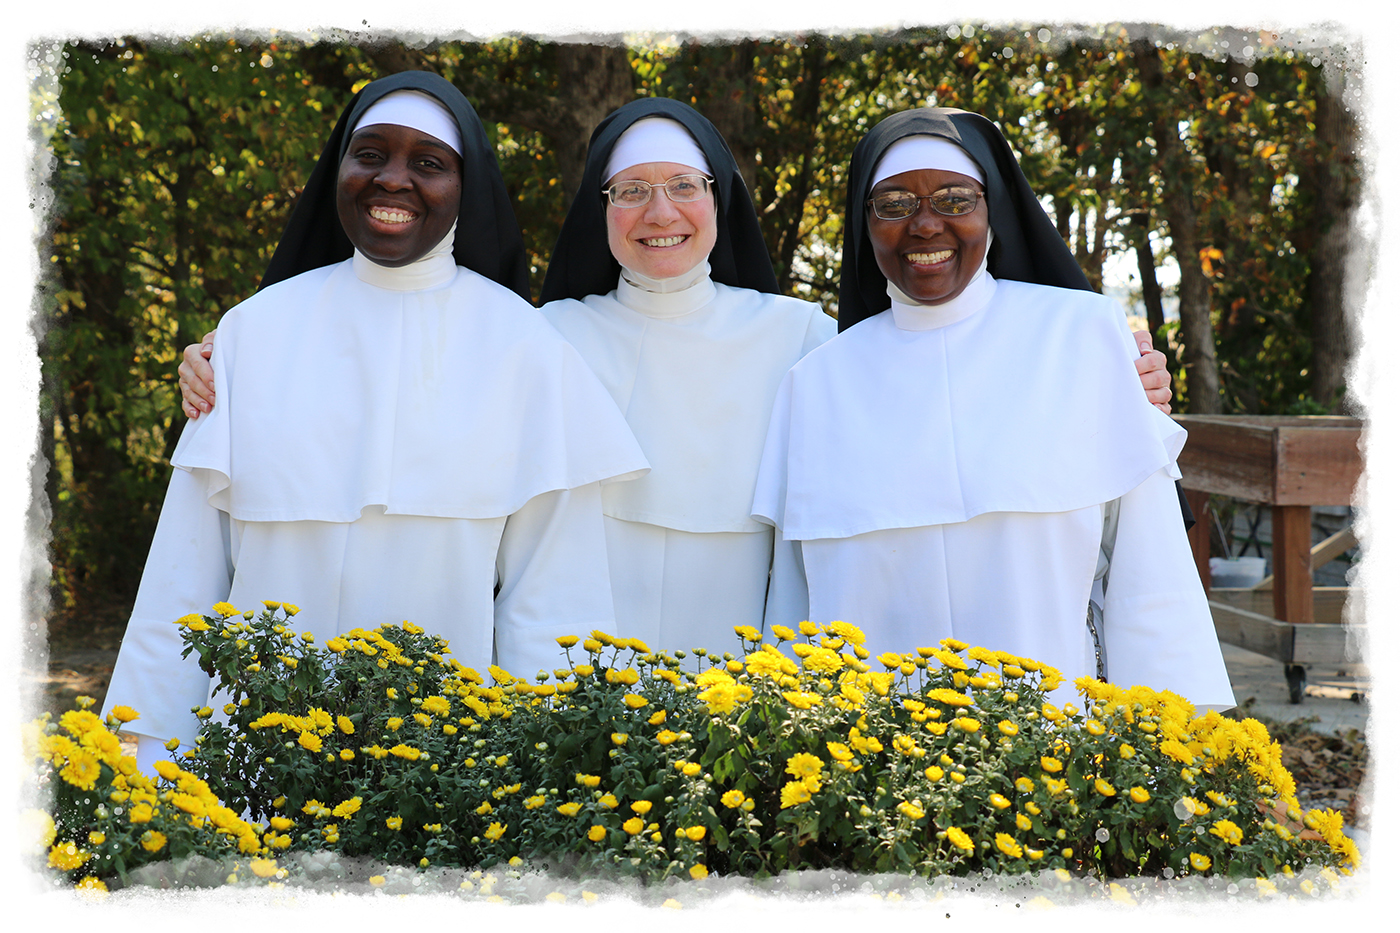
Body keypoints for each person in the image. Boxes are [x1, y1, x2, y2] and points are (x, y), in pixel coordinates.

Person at [175, 97, 1175, 657]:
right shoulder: (544, 335)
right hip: (584, 652)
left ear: (718, 201)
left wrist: (1122, 380)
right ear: (599, 210)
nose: (660, 211)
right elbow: (408, 363)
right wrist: (219, 366)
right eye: (632, 191)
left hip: (742, 647)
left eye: (683, 186)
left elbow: (930, 379)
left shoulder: (800, 340)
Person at [102, 72, 649, 770]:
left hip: (442, 771)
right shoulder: (253, 334)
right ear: (340, 171)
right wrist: (147, 763)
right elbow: (185, 578)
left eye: (428, 163)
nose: (394, 180)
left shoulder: (526, 349)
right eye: (371, 155)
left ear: (465, 186)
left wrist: (544, 777)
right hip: (248, 760)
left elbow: (551, 600)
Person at [750, 107, 1234, 710]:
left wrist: (1170, 746)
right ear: (864, 225)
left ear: (992, 211)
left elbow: (1147, 568)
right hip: (871, 770)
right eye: (894, 204)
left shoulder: (1082, 337)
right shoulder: (817, 384)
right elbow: (798, 603)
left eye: (954, 200)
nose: (926, 226)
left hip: (1062, 755)